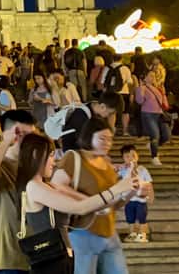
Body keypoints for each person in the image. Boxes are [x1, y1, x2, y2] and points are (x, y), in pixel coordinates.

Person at [16, 132, 142, 273]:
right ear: (35, 154)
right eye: (51, 156)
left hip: (64, 258)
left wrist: (128, 191)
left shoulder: (49, 186)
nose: (55, 161)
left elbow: (94, 205)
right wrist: (117, 188)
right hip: (50, 262)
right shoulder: (33, 186)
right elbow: (80, 207)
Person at [50, 117, 129, 274]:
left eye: (110, 139)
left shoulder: (107, 165)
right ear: (88, 137)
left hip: (109, 232)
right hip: (83, 232)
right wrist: (89, 202)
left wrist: (131, 191)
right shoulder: (74, 158)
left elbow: (111, 204)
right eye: (102, 138)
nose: (107, 143)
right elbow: (57, 185)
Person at [0, 109, 38, 274]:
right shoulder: (0, 167)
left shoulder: (38, 167)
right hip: (10, 260)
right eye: (21, 134)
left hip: (41, 257)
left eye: (31, 135)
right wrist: (6, 143)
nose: (28, 141)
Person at [116, 144, 154, 243]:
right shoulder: (123, 171)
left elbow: (149, 184)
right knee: (130, 218)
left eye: (133, 155)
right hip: (129, 200)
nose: (131, 158)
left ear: (137, 156)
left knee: (142, 218)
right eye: (127, 156)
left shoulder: (143, 170)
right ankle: (132, 234)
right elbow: (115, 179)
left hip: (141, 199)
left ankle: (142, 235)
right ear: (123, 158)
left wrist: (151, 196)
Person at [135, 70, 171, 165]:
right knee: (155, 135)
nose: (153, 78)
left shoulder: (157, 88)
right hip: (148, 114)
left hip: (159, 114)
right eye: (150, 76)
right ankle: (154, 156)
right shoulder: (142, 88)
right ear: (145, 77)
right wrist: (140, 87)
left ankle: (152, 146)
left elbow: (165, 104)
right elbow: (139, 101)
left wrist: (163, 93)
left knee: (167, 135)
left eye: (154, 76)